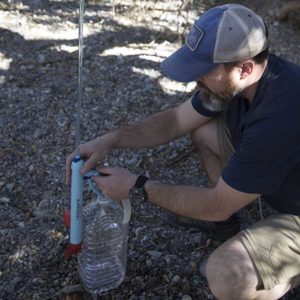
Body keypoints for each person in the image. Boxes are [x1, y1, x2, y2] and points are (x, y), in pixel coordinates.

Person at [66, 4, 300, 299]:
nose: (194, 78)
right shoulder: (243, 80)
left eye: (203, 71)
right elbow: (176, 120)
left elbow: (217, 203)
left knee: (228, 274)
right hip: (280, 171)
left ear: (245, 68)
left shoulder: (278, 118)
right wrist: (110, 140)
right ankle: (228, 221)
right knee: (204, 129)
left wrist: (137, 186)